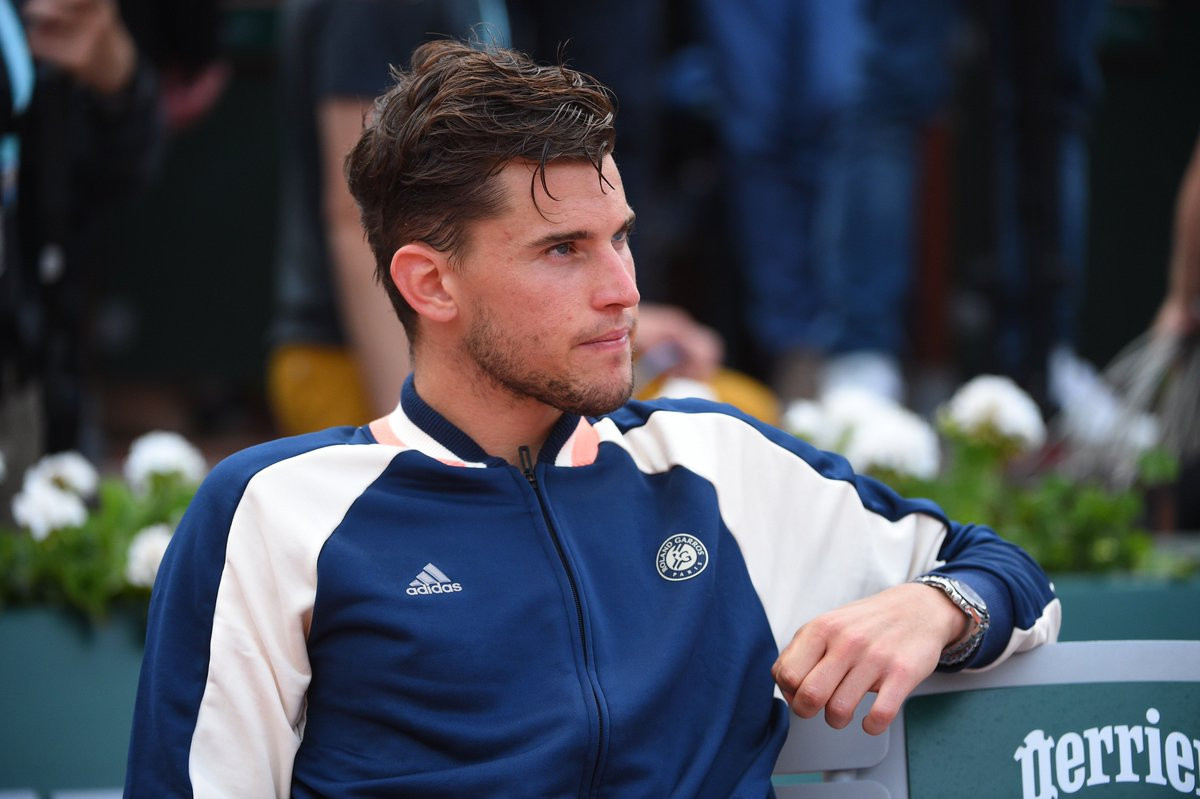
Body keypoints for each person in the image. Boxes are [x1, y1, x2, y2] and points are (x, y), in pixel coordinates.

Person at [125, 41, 1060, 797]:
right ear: (430, 283)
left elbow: (1010, 577)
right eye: (564, 249)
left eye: (621, 237)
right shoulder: (276, 510)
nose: (623, 290)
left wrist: (940, 605)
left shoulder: (711, 462)